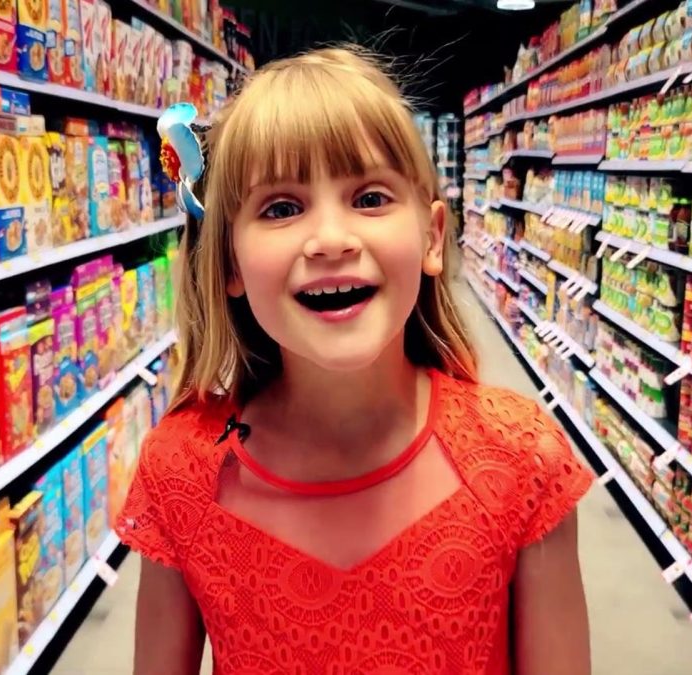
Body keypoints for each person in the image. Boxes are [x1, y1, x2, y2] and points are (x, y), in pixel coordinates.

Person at [116, 46, 594, 675]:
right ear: (228, 262)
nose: (332, 239)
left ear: (430, 237)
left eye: (369, 198)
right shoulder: (178, 473)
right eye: (281, 208)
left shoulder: (522, 458)